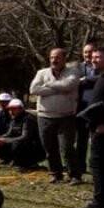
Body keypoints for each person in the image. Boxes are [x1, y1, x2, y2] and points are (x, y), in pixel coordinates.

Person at [30, 47, 83, 184]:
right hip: (45, 116)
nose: (54, 60)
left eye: (58, 57)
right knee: (49, 147)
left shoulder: (73, 72)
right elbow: (33, 89)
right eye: (52, 57)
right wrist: (58, 89)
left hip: (66, 117)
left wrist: (47, 85)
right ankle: (55, 173)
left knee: (67, 148)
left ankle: (75, 175)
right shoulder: (41, 73)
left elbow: (68, 85)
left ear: (64, 59)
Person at [78, 46, 104, 208]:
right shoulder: (101, 77)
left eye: (98, 57)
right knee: (101, 165)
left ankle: (99, 203)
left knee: (97, 165)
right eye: (93, 57)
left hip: (103, 130)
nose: (93, 59)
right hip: (96, 128)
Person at [0, 98, 45, 169]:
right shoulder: (14, 118)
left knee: (16, 144)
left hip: (35, 148)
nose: (11, 111)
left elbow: (25, 137)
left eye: (14, 109)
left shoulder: (28, 119)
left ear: (21, 109)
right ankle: (11, 160)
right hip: (19, 143)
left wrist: (4, 140)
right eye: (10, 109)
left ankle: (27, 163)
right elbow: (9, 134)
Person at [76, 42, 98, 184]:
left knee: (95, 139)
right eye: (85, 52)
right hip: (81, 107)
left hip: (95, 107)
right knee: (81, 140)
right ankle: (80, 167)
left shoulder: (100, 67)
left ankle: (95, 166)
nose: (88, 55)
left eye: (90, 52)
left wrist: (86, 80)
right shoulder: (78, 67)